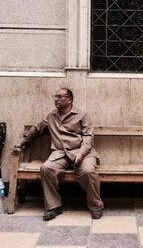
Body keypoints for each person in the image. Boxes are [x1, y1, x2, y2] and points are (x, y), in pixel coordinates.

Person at [16, 88, 104, 221]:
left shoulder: (82, 115)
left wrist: (80, 154)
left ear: (69, 99)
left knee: (88, 171)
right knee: (47, 169)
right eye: (55, 96)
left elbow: (88, 137)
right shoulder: (51, 116)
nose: (56, 99)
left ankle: (95, 205)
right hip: (60, 154)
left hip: (82, 152)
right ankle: (54, 206)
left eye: (59, 97)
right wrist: (21, 143)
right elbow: (37, 129)